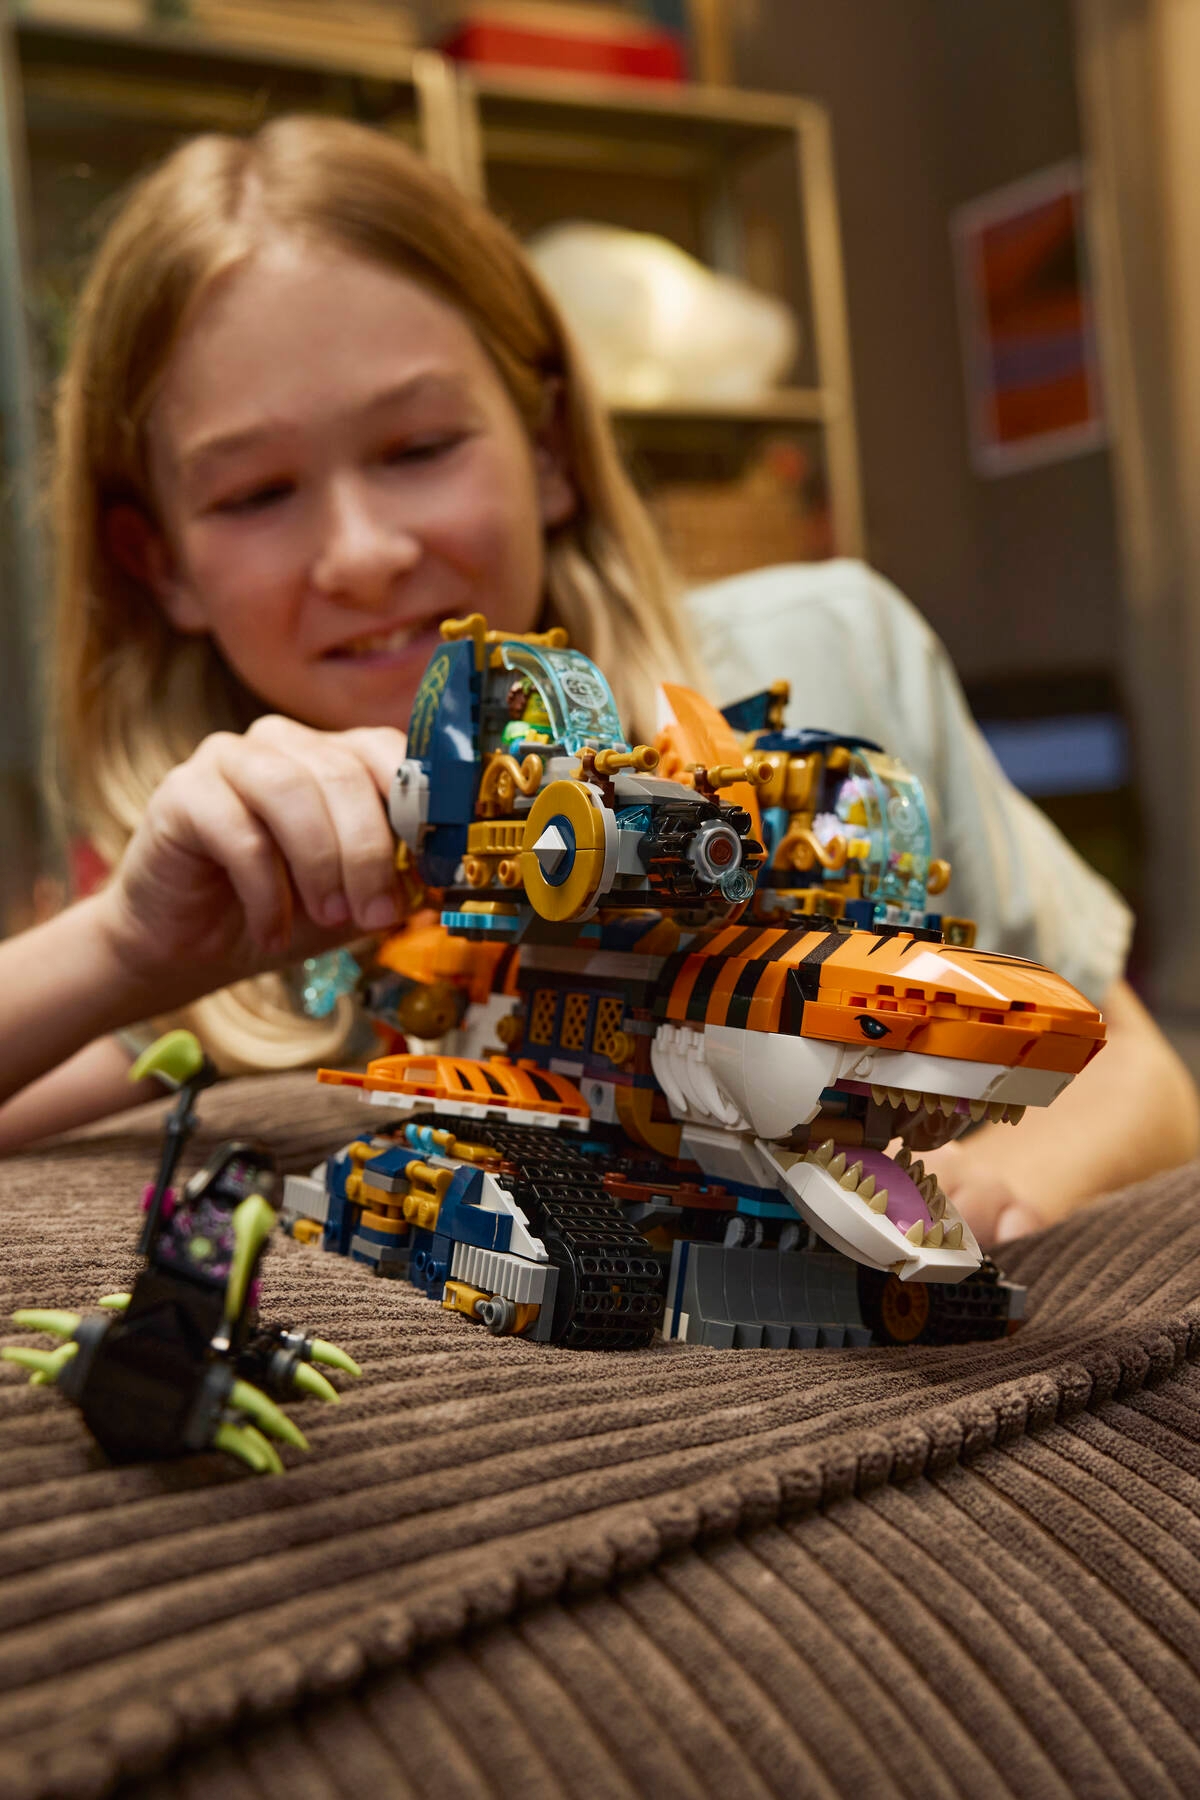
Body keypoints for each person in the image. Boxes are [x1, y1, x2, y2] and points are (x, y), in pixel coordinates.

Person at [0, 116, 1192, 1251]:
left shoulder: (830, 652)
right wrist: (125, 950)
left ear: (551, 451)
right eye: (257, 493)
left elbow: (1134, 1068)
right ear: (159, 564)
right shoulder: (245, 899)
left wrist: (1002, 1191)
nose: (361, 554)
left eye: (420, 448)